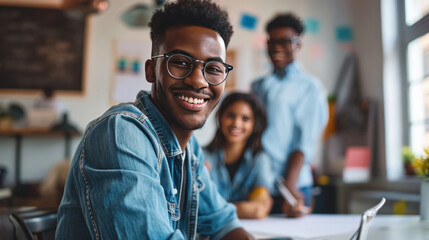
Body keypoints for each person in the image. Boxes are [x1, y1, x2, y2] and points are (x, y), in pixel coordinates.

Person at [56, 0, 254, 239]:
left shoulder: (189, 150)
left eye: (213, 68)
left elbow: (225, 224)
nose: (199, 81)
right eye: (180, 62)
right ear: (151, 70)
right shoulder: (121, 134)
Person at [251, 13, 328, 218]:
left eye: (285, 42)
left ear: (298, 45)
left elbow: (304, 142)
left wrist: (290, 186)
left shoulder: (310, 88)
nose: (277, 47)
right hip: (262, 183)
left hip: (292, 185)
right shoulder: (258, 86)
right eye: (272, 41)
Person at [204, 92, 273, 219]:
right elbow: (199, 206)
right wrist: (244, 209)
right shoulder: (202, 156)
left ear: (254, 124)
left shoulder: (260, 159)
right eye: (231, 116)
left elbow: (258, 209)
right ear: (220, 118)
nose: (236, 123)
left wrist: (216, 208)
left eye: (245, 118)